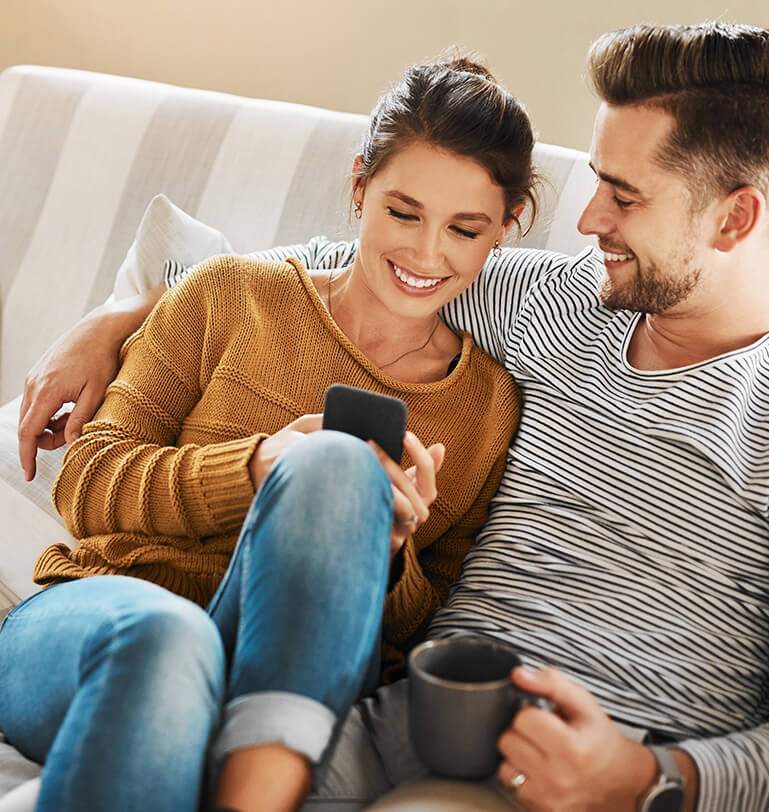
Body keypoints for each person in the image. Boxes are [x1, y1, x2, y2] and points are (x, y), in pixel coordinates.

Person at [16, 22, 769, 812]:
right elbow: (341, 272)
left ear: (736, 219)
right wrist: (120, 318)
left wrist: (656, 780)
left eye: (624, 194)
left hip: (587, 761)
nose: (588, 219)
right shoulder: (557, 303)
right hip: (390, 717)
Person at [0, 56, 537, 812]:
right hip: (107, 619)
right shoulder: (228, 293)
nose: (425, 254)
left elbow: (423, 621)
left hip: (289, 675)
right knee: (168, 638)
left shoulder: (485, 405)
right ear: (359, 187)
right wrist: (253, 466)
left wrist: (383, 557)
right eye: (403, 212)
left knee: (338, 471)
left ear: (506, 228)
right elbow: (87, 483)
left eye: (465, 229)